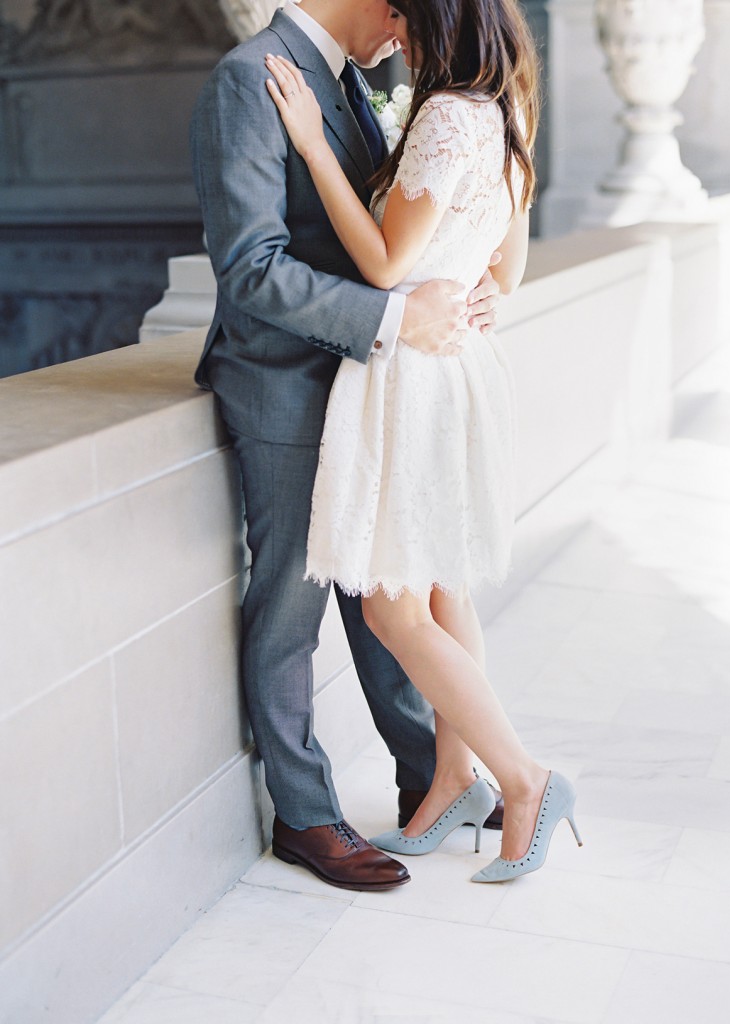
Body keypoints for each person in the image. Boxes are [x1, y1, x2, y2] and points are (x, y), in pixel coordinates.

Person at [190, 0, 505, 894]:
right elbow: (251, 265)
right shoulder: (246, 80)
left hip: (366, 386)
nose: (408, 41)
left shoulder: (354, 85)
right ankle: (305, 814)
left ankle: (430, 777)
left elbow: (398, 231)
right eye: (404, 21)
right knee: (290, 602)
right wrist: (398, 317)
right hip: (284, 385)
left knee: (387, 588)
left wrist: (474, 284)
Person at [264, 0, 582, 881]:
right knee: (443, 593)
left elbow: (384, 266)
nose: (397, 32)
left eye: (408, 16)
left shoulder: (446, 114)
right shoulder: (508, 111)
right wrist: (468, 278)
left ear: (441, 21)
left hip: (416, 377)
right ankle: (452, 779)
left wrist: (314, 145)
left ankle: (525, 780)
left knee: (391, 607)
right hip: (461, 370)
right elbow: (507, 272)